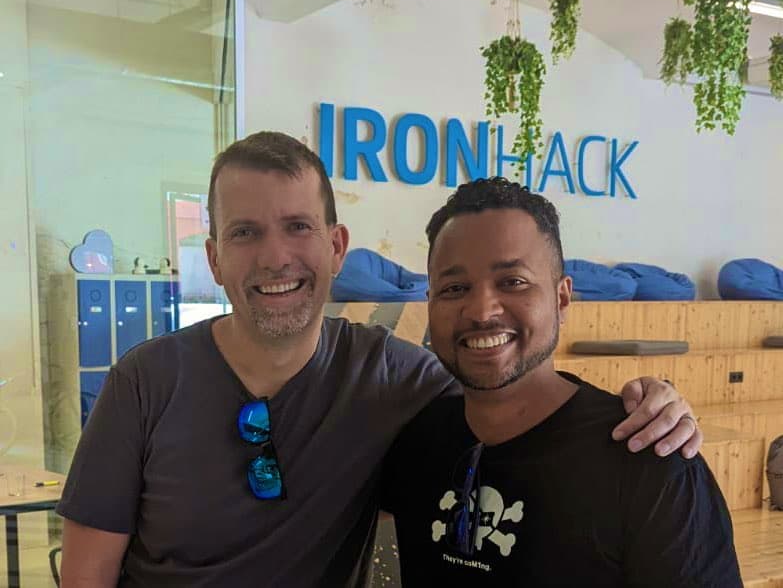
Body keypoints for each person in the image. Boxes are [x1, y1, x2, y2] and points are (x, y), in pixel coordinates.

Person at [57, 133, 702, 587]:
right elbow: (86, 576)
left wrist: (650, 400)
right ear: (214, 257)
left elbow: (511, 389)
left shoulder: (396, 380)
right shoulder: (144, 382)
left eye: (298, 226)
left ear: (337, 246)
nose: (275, 257)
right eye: (245, 232)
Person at [382, 178, 741, 586]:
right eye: (455, 288)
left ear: (562, 298)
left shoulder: (650, 461)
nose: (482, 311)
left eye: (512, 281)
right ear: (430, 303)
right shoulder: (416, 443)